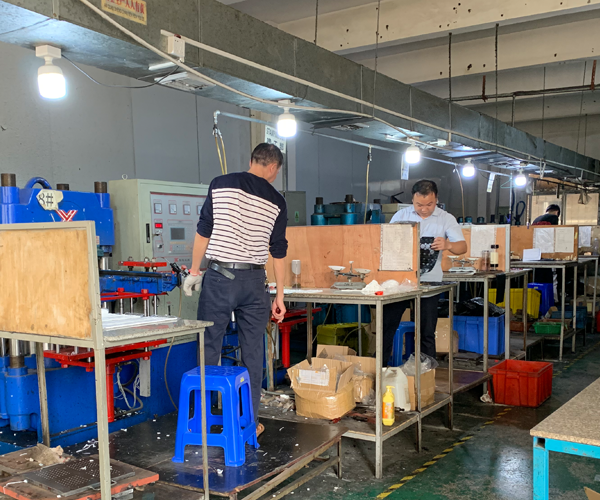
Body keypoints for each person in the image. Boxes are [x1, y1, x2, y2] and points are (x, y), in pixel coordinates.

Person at [183, 143, 288, 437]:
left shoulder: (221, 184)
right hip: (255, 282)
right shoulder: (277, 201)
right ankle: (248, 424)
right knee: (252, 352)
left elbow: (204, 230)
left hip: (220, 277)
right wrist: (280, 296)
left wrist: (194, 271)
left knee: (209, 348)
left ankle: (203, 421)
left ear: (252, 160)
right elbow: (278, 251)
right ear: (273, 167)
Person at [383, 180, 467, 363]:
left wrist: (448, 244)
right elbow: (385, 243)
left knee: (427, 331)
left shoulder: (446, 218)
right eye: (419, 205)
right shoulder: (400, 216)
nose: (424, 209)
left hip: (430, 282)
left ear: (436, 199)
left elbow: (462, 247)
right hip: (400, 281)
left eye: (429, 204)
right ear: (412, 200)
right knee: (386, 327)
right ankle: (379, 368)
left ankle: (427, 371)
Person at [532, 204, 561, 304]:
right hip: (548, 253)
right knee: (551, 279)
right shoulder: (554, 218)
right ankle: (552, 302)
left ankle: (538, 302)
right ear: (557, 212)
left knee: (538, 281)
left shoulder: (536, 219)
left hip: (536, 254)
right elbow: (555, 234)